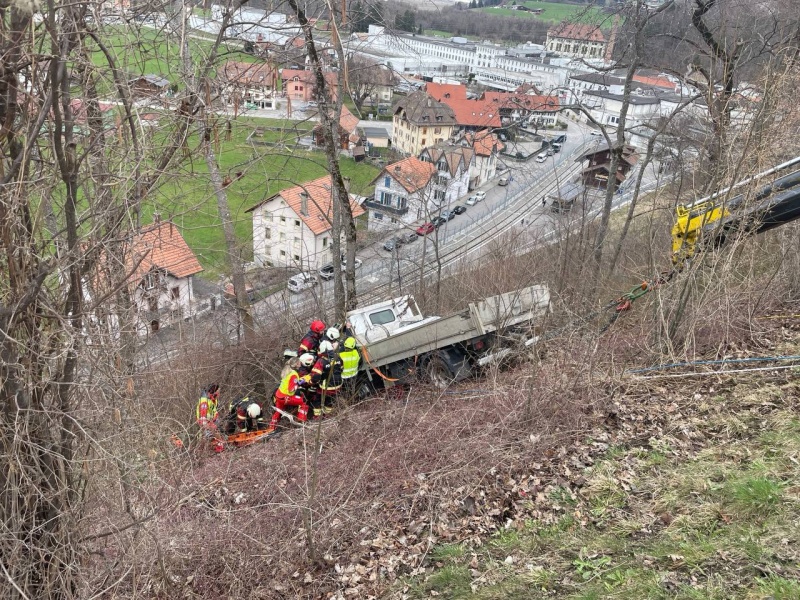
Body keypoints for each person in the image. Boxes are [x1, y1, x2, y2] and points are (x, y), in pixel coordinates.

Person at [269, 357, 310, 431]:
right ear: (296, 364)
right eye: (299, 362)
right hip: (285, 397)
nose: (301, 364)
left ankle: (271, 427)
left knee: (278, 411)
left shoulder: (287, 371)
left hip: (278, 395)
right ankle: (301, 421)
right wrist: (299, 383)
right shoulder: (294, 374)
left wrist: (298, 381)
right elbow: (291, 389)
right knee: (303, 402)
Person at [310, 340, 343, 418]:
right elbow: (341, 368)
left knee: (317, 400)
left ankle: (317, 417)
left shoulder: (321, 361)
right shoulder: (337, 357)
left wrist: (311, 382)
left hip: (326, 387)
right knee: (330, 401)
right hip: (338, 385)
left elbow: (316, 376)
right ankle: (328, 416)